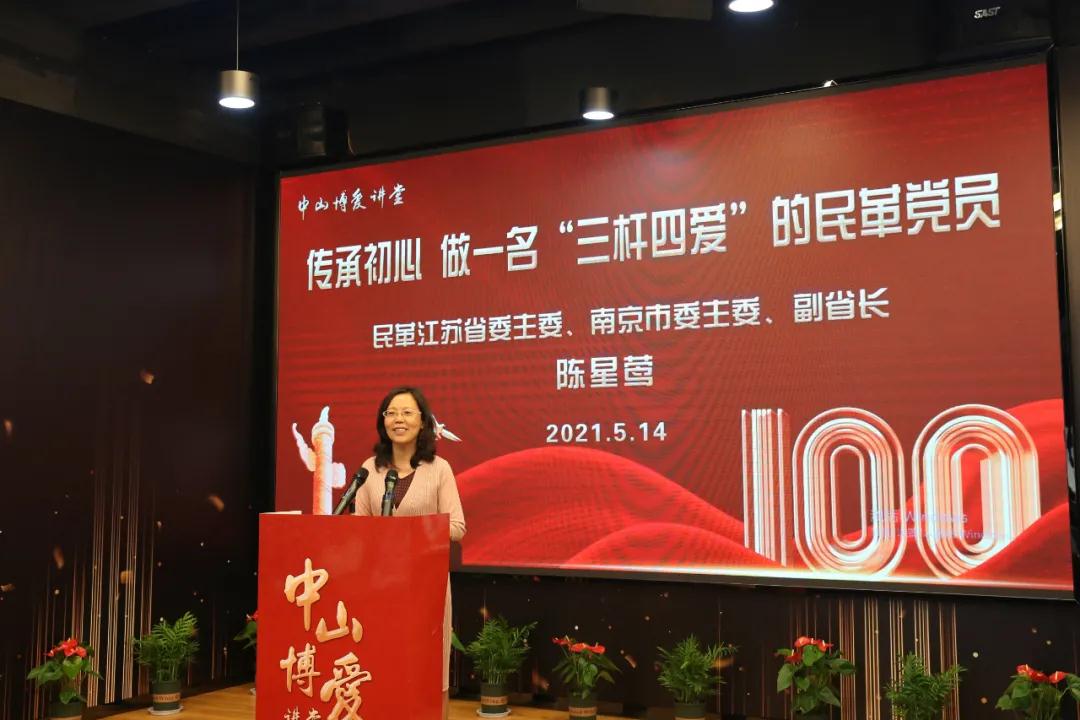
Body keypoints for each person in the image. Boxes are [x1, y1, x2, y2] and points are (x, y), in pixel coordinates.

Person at [353, 385, 466, 719]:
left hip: (425, 589)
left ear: (423, 421)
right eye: (391, 413)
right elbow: (358, 529)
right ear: (383, 422)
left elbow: (457, 527)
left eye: (406, 412)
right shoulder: (369, 469)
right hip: (379, 588)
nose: (398, 419)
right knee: (381, 668)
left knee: (427, 672)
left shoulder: (439, 469)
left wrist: (411, 534)